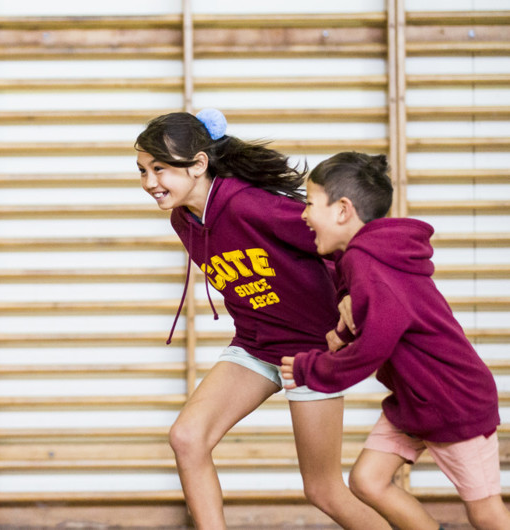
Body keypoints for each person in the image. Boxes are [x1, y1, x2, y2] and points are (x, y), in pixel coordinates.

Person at [135, 110, 390, 529]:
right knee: (187, 437)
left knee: (323, 490)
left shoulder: (252, 206)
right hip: (255, 345)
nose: (149, 183)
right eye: (142, 170)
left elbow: (344, 239)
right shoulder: (183, 220)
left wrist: (348, 298)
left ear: (198, 165)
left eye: (159, 169)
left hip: (310, 351)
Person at [281, 151, 510, 530]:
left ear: (342, 210)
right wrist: (340, 333)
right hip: (416, 400)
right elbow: (375, 310)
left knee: (486, 512)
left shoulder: (367, 261)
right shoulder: (369, 256)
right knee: (367, 481)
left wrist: (313, 368)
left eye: (309, 204)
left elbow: (376, 343)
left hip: (452, 400)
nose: (303, 215)